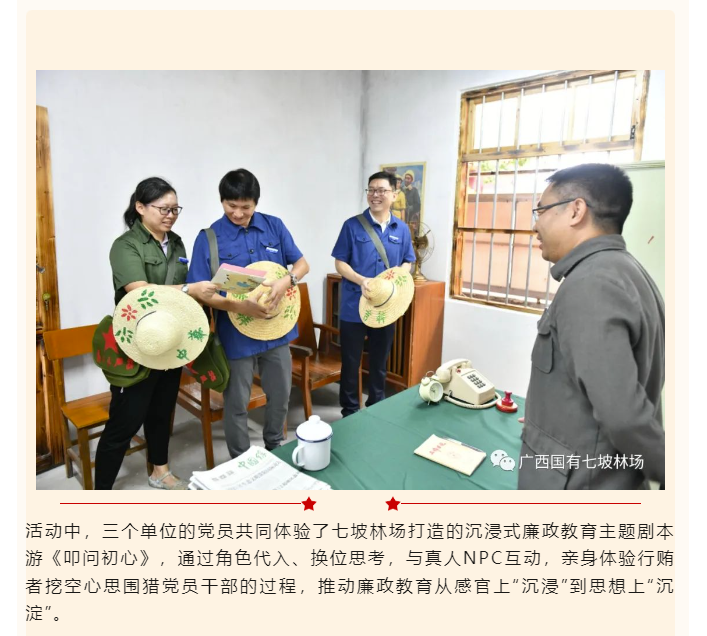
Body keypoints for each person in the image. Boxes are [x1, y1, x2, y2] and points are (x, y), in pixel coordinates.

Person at [518, 163, 665, 490]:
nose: (536, 225)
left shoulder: (591, 284)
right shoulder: (626, 271)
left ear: (576, 210)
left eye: (541, 210)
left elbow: (624, 416)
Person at [95, 177, 217, 490]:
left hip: (171, 340)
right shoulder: (125, 246)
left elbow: (186, 287)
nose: (170, 215)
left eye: (175, 209)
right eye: (163, 208)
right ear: (140, 207)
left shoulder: (176, 243)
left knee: (162, 411)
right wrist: (190, 289)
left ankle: (159, 471)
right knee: (123, 423)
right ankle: (100, 493)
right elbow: (139, 291)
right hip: (136, 345)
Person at [187, 169, 309, 458]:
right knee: (237, 403)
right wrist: (240, 306)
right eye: (231, 206)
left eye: (246, 206)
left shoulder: (274, 226)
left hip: (276, 329)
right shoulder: (209, 238)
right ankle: (240, 459)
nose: (238, 213)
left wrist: (287, 280)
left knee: (280, 395)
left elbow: (302, 264)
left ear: (256, 202)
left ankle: (275, 447)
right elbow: (200, 292)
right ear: (221, 201)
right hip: (235, 336)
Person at [332, 171, 416, 417]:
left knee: (380, 362)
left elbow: (408, 261)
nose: (375, 195)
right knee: (351, 363)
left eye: (381, 190)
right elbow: (340, 263)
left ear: (394, 194)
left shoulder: (401, 229)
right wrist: (361, 280)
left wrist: (397, 277)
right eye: (371, 190)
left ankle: (376, 407)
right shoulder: (352, 225)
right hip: (353, 305)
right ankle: (349, 412)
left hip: (386, 307)